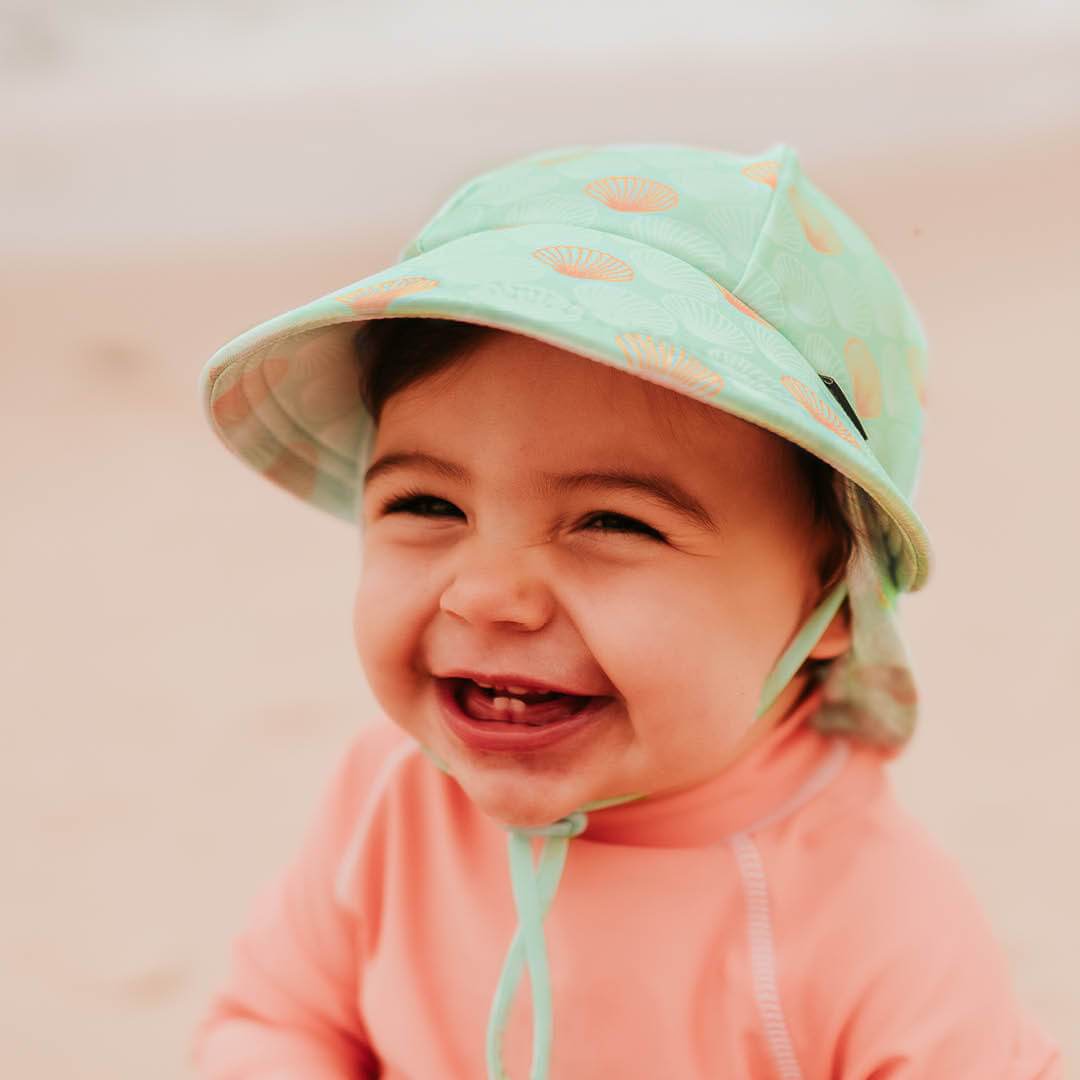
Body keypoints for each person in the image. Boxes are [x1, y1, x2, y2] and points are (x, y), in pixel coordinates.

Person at [190, 142, 1063, 1078]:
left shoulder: (873, 923)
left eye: (611, 521)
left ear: (829, 598)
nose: (486, 593)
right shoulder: (388, 799)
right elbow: (278, 1018)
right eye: (428, 505)